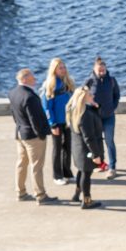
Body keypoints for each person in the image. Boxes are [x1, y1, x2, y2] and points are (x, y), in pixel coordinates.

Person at [9, 68, 57, 204]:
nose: (35, 79)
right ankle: (40, 195)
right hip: (32, 137)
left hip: (20, 133)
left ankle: (21, 192)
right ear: (24, 79)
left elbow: (14, 114)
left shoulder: (13, 93)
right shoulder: (29, 96)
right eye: (32, 77)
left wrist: (19, 127)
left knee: (21, 164)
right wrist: (42, 135)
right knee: (36, 166)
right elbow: (34, 119)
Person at [66, 86, 104, 209]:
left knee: (81, 171)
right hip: (86, 150)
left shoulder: (73, 110)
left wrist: (95, 107)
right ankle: (86, 200)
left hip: (78, 149)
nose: (92, 96)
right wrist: (96, 155)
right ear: (83, 98)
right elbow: (89, 138)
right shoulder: (85, 115)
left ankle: (77, 194)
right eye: (90, 95)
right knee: (86, 174)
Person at [84, 57, 121, 178]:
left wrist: (113, 107)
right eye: (99, 70)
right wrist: (91, 107)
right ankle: (100, 164)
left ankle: (112, 167)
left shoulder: (111, 80)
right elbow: (83, 96)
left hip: (109, 116)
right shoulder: (89, 81)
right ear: (94, 70)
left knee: (109, 141)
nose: (101, 72)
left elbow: (117, 95)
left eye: (103, 70)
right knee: (97, 141)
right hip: (95, 117)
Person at [41, 57, 75, 185]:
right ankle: (57, 175)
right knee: (57, 148)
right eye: (60, 68)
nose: (63, 70)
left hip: (67, 121)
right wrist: (52, 123)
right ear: (54, 70)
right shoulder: (50, 84)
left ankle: (67, 172)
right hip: (56, 122)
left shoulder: (68, 82)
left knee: (68, 147)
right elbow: (46, 107)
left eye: (64, 67)